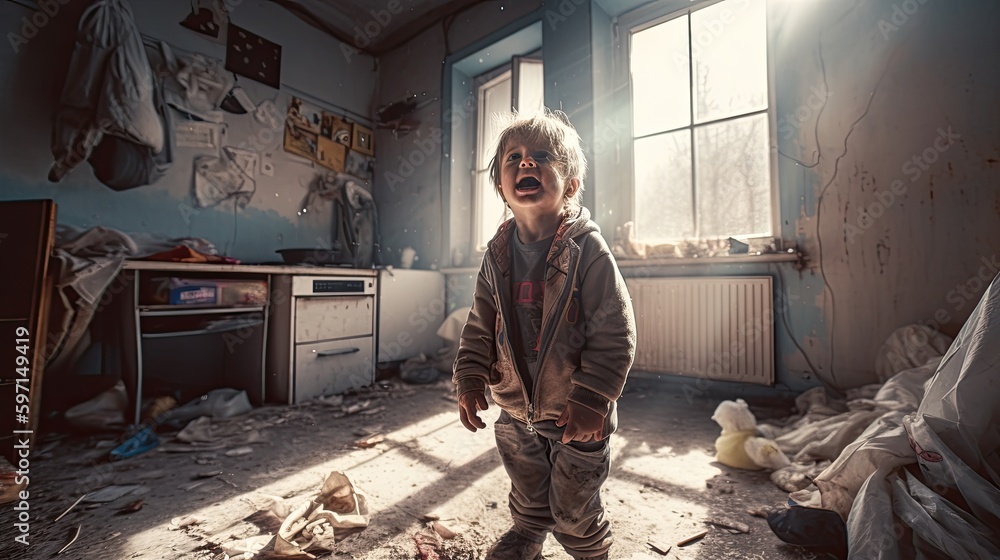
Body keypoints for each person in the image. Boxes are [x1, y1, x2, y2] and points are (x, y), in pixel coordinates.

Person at [453, 109, 636, 560]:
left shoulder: (587, 250)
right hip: (514, 407)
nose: (526, 164)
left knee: (574, 507)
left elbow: (615, 330)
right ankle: (529, 532)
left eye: (542, 156)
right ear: (500, 185)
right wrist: (470, 377)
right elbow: (479, 322)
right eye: (513, 158)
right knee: (528, 484)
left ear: (570, 184)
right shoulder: (496, 255)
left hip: (576, 412)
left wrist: (593, 397)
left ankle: (589, 548)